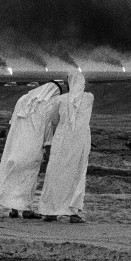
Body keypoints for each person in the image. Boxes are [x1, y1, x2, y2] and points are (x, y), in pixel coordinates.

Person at [0, 81, 62, 218]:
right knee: (28, 177)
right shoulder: (48, 105)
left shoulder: (22, 99)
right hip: (32, 147)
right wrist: (48, 146)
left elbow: (12, 123)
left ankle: (14, 209)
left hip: (16, 144)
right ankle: (26, 210)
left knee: (14, 175)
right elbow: (48, 129)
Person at [39, 71, 94, 223]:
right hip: (79, 142)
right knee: (76, 176)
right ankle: (71, 213)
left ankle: (50, 211)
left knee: (55, 174)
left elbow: (53, 119)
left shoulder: (59, 100)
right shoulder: (89, 98)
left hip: (62, 140)